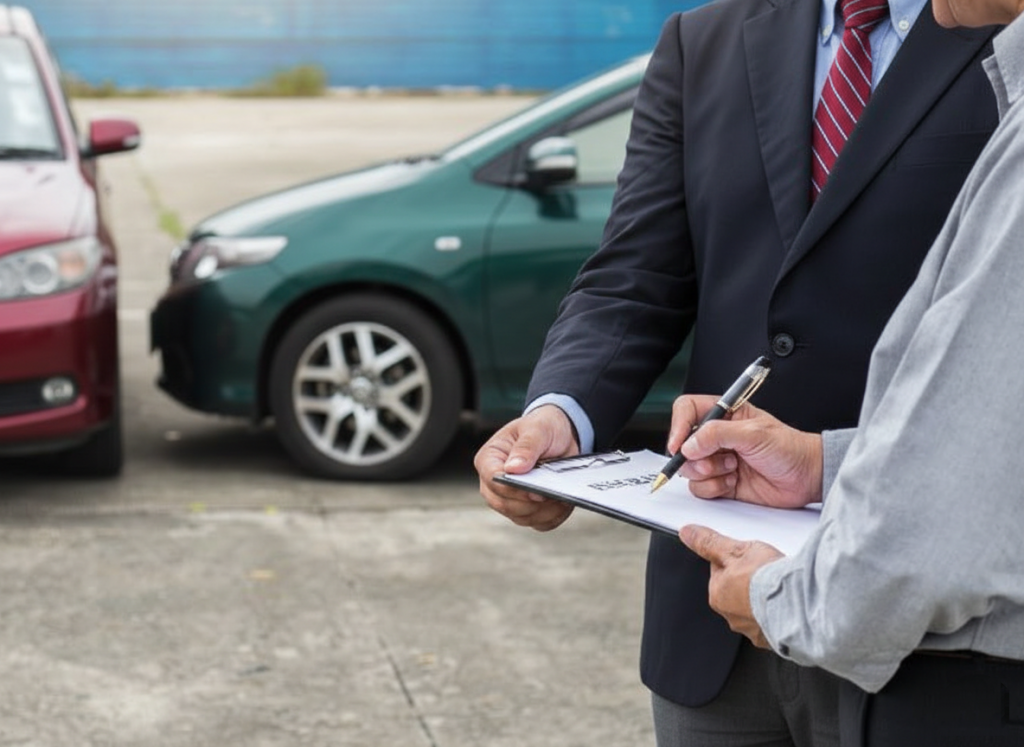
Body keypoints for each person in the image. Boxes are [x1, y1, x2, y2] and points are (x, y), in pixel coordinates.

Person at [474, 0, 1002, 744]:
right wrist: (561, 415)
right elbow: (635, 272)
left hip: (922, 615)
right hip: (711, 603)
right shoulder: (702, 40)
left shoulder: (997, 22)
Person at [674, 4, 1024, 740]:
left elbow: (944, 515)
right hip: (723, 633)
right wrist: (825, 462)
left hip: (938, 666)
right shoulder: (702, 35)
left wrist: (790, 604)